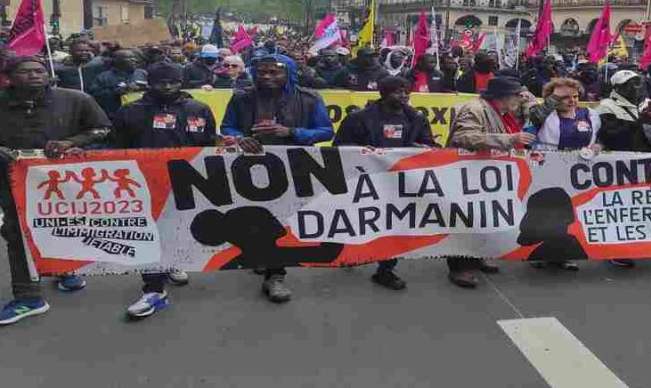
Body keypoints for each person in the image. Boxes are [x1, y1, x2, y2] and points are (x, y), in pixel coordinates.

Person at [0, 56, 112, 326]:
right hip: (14, 181)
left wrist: (72, 142)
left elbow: (102, 128)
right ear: (8, 79)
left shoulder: (77, 99)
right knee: (17, 232)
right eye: (26, 72)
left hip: (66, 181)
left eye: (39, 71)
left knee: (66, 226)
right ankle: (28, 298)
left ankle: (63, 269)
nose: (35, 75)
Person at [220, 53, 335, 302]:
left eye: (275, 72)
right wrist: (239, 138)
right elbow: (227, 126)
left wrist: (291, 132)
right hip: (249, 169)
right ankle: (264, 259)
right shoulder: (242, 97)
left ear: (289, 73)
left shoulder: (309, 98)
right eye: (262, 72)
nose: (267, 77)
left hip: (293, 171)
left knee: (281, 221)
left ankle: (276, 275)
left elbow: (326, 131)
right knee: (254, 218)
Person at [113, 63, 217, 318]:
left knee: (176, 227)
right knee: (149, 233)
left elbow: (209, 144)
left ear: (181, 81)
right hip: (143, 184)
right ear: (150, 83)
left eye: (172, 82)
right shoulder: (131, 111)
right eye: (161, 82)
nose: (167, 87)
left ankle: (171, 264)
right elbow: (114, 148)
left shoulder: (198, 109)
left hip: (185, 182)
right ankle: (154, 289)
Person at [333, 76, 437, 290]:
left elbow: (429, 145)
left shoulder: (416, 118)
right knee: (361, 220)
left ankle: (386, 269)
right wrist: (362, 152)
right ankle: (352, 251)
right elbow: (340, 146)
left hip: (399, 182)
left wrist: (421, 147)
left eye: (407, 91)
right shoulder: (359, 118)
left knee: (393, 224)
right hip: (365, 181)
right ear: (383, 93)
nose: (404, 96)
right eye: (398, 92)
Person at [444, 76, 535, 288]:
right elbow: (464, 137)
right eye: (517, 95)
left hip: (488, 172)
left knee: (486, 216)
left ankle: (479, 255)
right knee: (466, 220)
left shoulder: (503, 111)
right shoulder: (474, 109)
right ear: (503, 96)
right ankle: (459, 267)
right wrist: (509, 140)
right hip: (468, 172)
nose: (520, 100)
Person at [527, 77, 599, 272]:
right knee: (545, 212)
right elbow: (531, 122)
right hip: (546, 167)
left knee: (571, 212)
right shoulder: (541, 114)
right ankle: (541, 252)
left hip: (578, 170)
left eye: (575, 96)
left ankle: (564, 254)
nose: (572, 101)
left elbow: (598, 140)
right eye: (565, 97)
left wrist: (597, 147)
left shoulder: (590, 114)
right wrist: (553, 99)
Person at [595, 70, 651, 269]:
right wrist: (641, 121)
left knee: (638, 210)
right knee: (618, 211)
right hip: (618, 166)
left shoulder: (644, 105)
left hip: (643, 165)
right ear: (618, 88)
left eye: (638, 83)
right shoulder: (606, 106)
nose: (637, 88)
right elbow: (612, 136)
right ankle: (615, 251)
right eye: (630, 84)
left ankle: (635, 245)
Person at [91, 49, 148, 116]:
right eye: (129, 57)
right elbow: (95, 96)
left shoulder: (142, 73)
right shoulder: (103, 77)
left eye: (134, 57)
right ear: (116, 60)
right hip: (115, 115)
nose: (133, 59)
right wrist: (117, 92)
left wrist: (145, 88)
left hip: (140, 114)